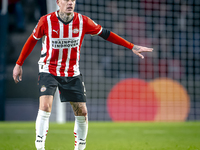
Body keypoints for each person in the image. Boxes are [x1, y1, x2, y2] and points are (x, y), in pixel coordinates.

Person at [12, 0, 153, 150]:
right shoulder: (46, 21)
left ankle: (80, 147)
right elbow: (32, 41)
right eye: (66, 0)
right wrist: (18, 64)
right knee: (45, 106)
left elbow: (106, 34)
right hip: (49, 69)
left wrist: (131, 46)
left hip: (72, 72)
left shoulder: (83, 21)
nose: (70, 3)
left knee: (82, 112)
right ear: (58, 3)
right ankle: (40, 146)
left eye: (72, 0)